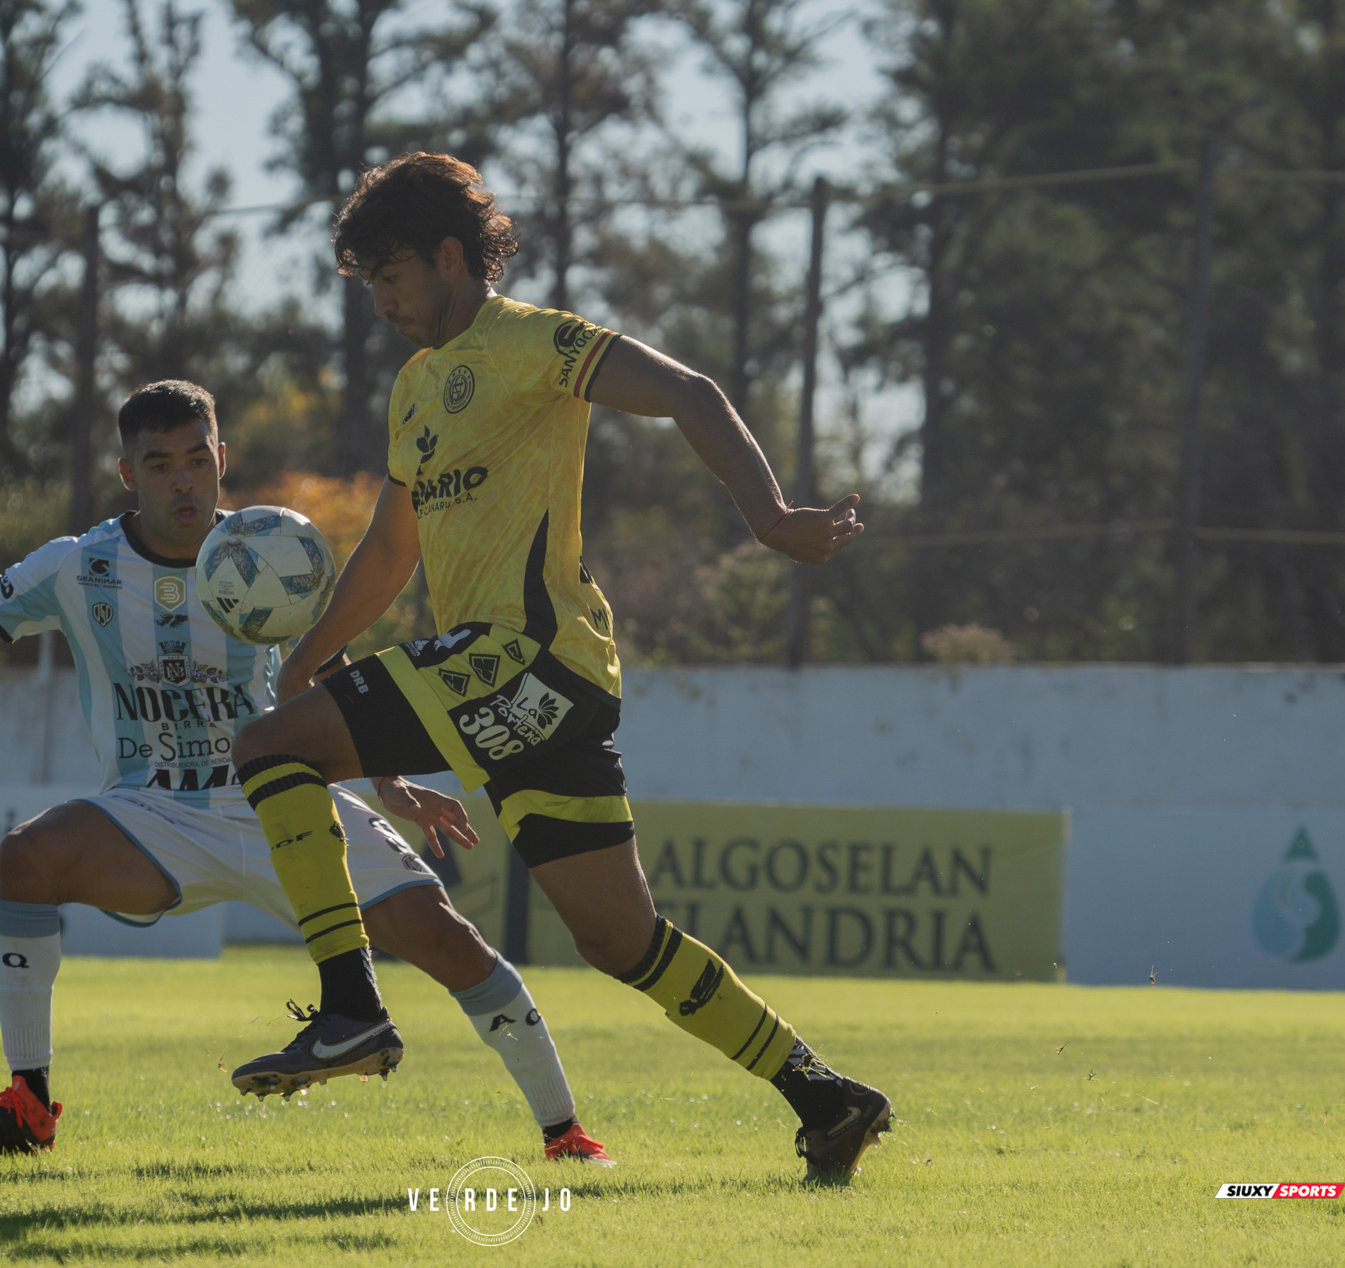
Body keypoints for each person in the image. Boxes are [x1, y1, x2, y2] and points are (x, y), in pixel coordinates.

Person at [0, 379, 612, 1165]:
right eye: (161, 465)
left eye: (198, 460)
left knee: (447, 941)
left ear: (222, 460)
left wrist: (386, 779)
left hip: (285, 801)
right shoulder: (79, 566)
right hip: (151, 814)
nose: (184, 481)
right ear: (129, 475)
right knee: (27, 857)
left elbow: (324, 664)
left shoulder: (268, 548)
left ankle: (565, 1133)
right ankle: (29, 1104)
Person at [228, 153, 889, 1184]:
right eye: (371, 288)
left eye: (393, 278)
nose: (386, 305)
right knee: (620, 939)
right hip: (529, 685)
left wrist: (768, 516)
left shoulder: (535, 343)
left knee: (268, 749)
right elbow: (392, 554)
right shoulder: (414, 390)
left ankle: (351, 1007)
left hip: (522, 657)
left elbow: (690, 390)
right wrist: (308, 657)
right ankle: (827, 1095)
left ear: (452, 257)